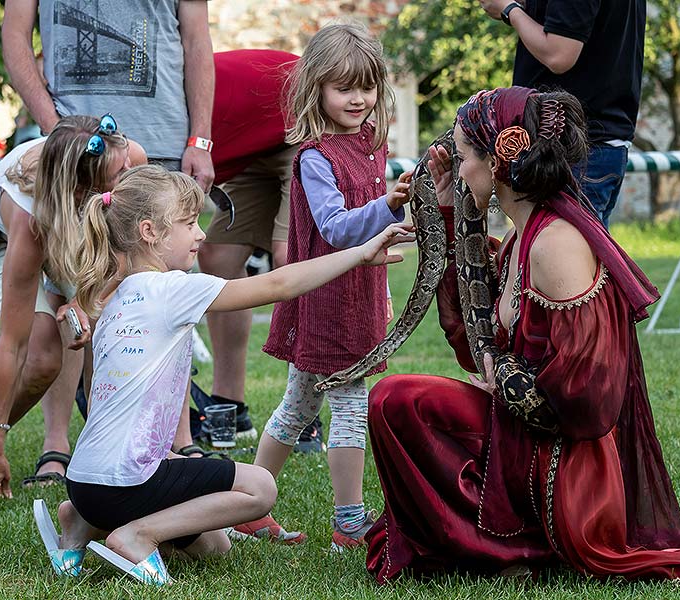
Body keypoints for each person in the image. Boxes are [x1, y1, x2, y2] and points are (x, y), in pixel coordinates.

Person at [364, 86, 680, 583]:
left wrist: (508, 373)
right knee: (399, 400)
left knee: (395, 396)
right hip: (525, 436)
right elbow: (471, 348)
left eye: (463, 153)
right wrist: (450, 206)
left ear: (497, 161)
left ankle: (521, 549)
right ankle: (479, 538)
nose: (456, 165)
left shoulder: (555, 244)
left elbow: (588, 404)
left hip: (569, 467)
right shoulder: (520, 235)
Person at [35, 165, 412, 584]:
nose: (200, 234)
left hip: (84, 481)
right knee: (260, 489)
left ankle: (81, 522)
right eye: (188, 222)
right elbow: (278, 284)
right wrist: (359, 254)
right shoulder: (172, 289)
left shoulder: (115, 293)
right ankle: (139, 535)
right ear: (150, 232)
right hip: (126, 482)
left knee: (215, 546)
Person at [232, 23, 412, 549]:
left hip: (359, 297)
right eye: (344, 88)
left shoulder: (371, 145)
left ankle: (246, 509)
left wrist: (381, 284)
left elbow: (373, 232)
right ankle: (350, 524)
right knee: (351, 405)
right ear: (317, 89)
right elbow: (336, 228)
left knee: (298, 405)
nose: (358, 99)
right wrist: (389, 207)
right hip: (326, 299)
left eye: (367, 86)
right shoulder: (315, 157)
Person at [0, 114, 145, 505]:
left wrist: (81, 300)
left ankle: (109, 453)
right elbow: (12, 344)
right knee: (44, 356)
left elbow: (128, 249)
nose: (130, 173)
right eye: (119, 174)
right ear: (86, 187)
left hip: (72, 226)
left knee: (110, 320)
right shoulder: (28, 220)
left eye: (126, 161)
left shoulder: (127, 157)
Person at [196, 48, 308, 448]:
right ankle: (230, 403)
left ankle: (304, 408)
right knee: (217, 258)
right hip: (252, 147)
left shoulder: (170, 99)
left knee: (289, 258)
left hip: (303, 130)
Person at [2, 0, 215, 191]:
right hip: (77, 153)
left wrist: (200, 143)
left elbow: (197, 42)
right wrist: (54, 128)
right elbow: (15, 35)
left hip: (163, 150)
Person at [477, 0, 644, 226]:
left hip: (570, 148)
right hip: (588, 143)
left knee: (560, 255)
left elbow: (559, 54)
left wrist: (509, 10)